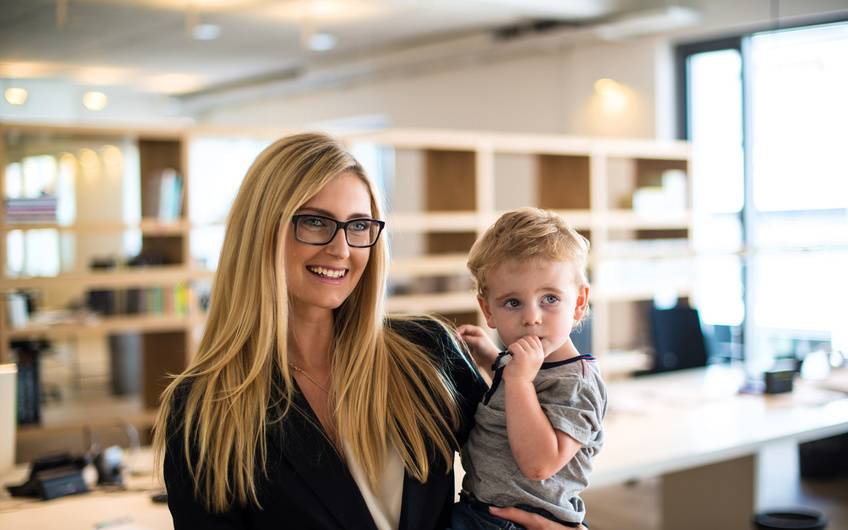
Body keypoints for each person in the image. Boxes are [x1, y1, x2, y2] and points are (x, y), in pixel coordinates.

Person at [153, 133, 585, 530]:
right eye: (315, 222)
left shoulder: (426, 351)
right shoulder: (204, 407)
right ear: (262, 230)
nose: (341, 249)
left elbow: (529, 465)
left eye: (359, 225)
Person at [453, 208, 607, 530]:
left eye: (550, 299)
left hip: (518, 523)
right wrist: (492, 359)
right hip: (480, 508)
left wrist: (518, 380)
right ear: (488, 310)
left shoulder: (576, 383)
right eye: (512, 303)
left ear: (579, 303)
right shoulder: (521, 365)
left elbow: (540, 464)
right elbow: (521, 398)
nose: (531, 318)